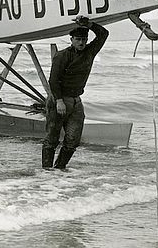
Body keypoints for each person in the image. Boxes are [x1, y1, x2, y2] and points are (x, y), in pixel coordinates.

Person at [42, 15, 109, 170]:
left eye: (84, 40)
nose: (81, 43)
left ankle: (59, 169)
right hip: (58, 100)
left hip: (76, 101)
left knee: (73, 140)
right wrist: (58, 101)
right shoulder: (62, 56)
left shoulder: (90, 52)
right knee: (52, 139)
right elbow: (53, 80)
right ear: (71, 39)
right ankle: (46, 172)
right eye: (78, 39)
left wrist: (90, 24)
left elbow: (103, 34)